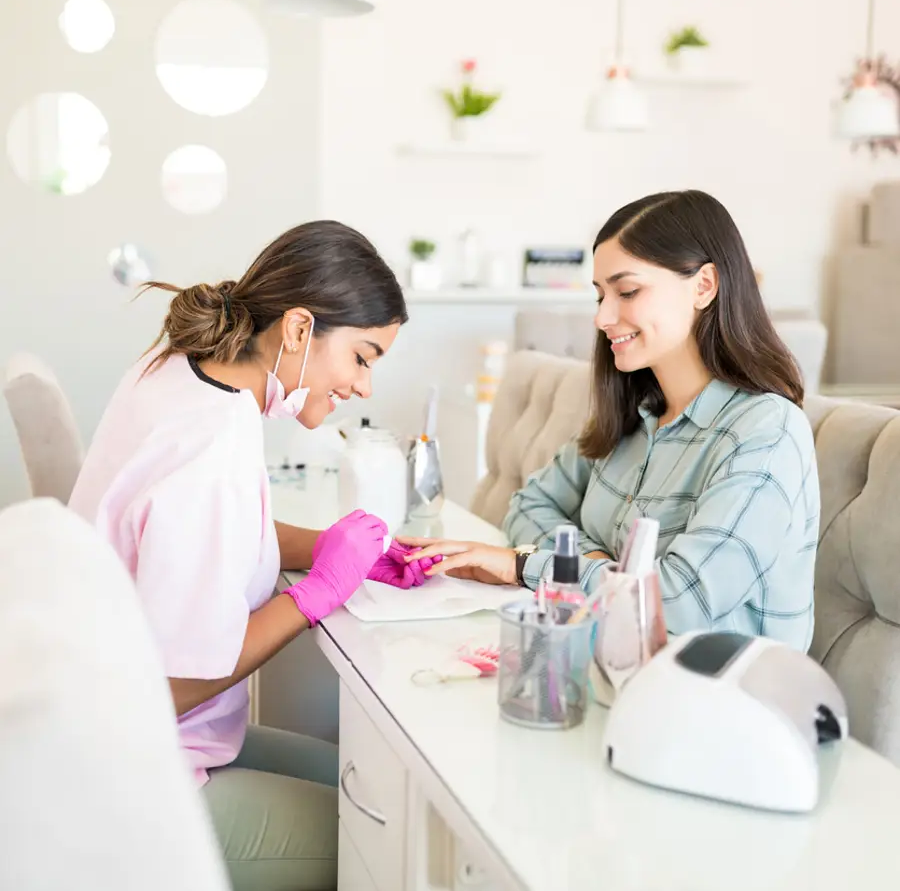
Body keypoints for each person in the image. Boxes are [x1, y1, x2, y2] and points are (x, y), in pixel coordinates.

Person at [69, 220, 437, 891]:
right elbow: (182, 680)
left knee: (361, 779)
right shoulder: (211, 448)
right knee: (396, 840)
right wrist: (314, 594)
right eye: (362, 357)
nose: (364, 387)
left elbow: (214, 532)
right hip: (123, 780)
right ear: (298, 330)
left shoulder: (182, 370)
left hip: (109, 727)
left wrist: (328, 547)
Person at [403, 190, 819, 652]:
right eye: (601, 295)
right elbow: (528, 505)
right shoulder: (636, 415)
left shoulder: (765, 431)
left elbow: (679, 604)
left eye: (627, 291)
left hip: (722, 702)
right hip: (617, 672)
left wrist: (526, 566)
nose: (603, 316)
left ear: (704, 286)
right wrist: (600, 564)